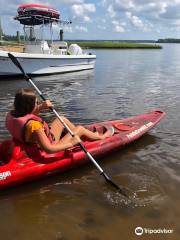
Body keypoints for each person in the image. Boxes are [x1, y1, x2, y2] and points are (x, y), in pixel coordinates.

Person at [6, 89, 114, 154]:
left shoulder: (10, 115)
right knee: (80, 129)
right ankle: (101, 137)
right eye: (36, 102)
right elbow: (49, 149)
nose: (37, 103)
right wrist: (71, 143)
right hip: (52, 144)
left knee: (62, 119)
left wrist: (40, 107)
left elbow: (27, 118)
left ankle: (82, 135)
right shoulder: (34, 126)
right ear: (30, 106)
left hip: (34, 139)